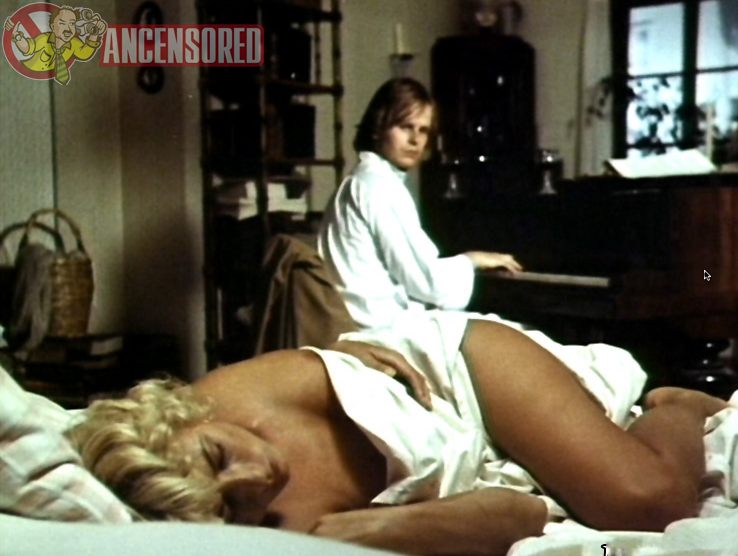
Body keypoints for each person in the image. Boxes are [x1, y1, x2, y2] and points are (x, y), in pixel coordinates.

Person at [66, 313, 729, 555]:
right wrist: (378, 530)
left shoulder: (217, 397)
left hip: (462, 374)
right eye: (235, 502)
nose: (256, 476)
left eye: (218, 456)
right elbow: (517, 514)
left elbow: (338, 355)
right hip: (468, 447)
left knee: (650, 501)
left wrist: (351, 349)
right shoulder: (267, 533)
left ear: (185, 420)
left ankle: (674, 404)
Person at [317, 77, 523, 330]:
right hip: (381, 330)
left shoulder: (361, 180)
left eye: (423, 130)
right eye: (405, 126)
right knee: (516, 335)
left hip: (371, 324)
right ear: (378, 127)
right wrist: (471, 260)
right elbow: (428, 282)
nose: (415, 140)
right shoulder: (378, 185)